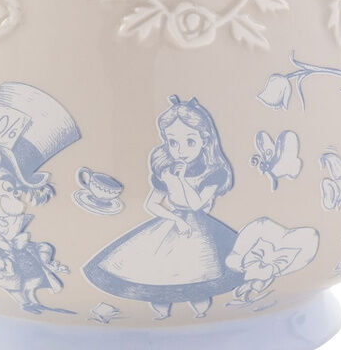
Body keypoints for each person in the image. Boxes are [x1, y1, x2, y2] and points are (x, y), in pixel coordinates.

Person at [83, 96, 243, 319]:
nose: (180, 150)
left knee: (199, 275)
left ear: (205, 140)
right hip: (171, 225)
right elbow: (151, 204)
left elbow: (196, 204)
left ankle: (201, 316)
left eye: (190, 142)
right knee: (158, 273)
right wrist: (175, 219)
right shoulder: (166, 171)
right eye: (172, 143)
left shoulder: (213, 173)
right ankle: (161, 315)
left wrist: (182, 180)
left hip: (200, 230)